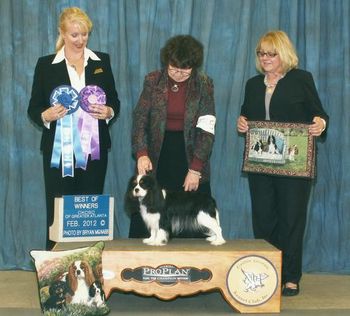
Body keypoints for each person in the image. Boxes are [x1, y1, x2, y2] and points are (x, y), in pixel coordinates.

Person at [237, 30, 329, 296]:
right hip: (260, 165)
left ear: (284, 54)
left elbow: (319, 113)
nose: (265, 58)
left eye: (271, 53)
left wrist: (320, 123)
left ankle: (290, 276)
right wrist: (242, 121)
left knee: (291, 219)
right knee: (264, 220)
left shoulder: (302, 79)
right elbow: (246, 114)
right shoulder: (253, 84)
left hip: (294, 164)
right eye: (261, 53)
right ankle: (266, 272)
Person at [28, 7, 120, 249]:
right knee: (58, 212)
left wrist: (109, 111)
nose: (80, 40)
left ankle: (89, 270)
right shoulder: (46, 65)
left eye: (85, 34)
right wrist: (45, 115)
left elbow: (114, 101)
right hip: (59, 154)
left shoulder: (102, 61)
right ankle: (55, 274)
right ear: (62, 33)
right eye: (74, 35)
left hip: (95, 151)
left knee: (89, 211)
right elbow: (33, 108)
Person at [130, 35, 216, 238]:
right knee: (149, 212)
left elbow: (207, 130)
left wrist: (196, 169)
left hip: (190, 154)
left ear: (194, 66)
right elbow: (140, 119)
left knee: (192, 216)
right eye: (173, 68)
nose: (178, 74)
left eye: (184, 70)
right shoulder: (153, 80)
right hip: (157, 154)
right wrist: (141, 153)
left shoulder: (204, 84)